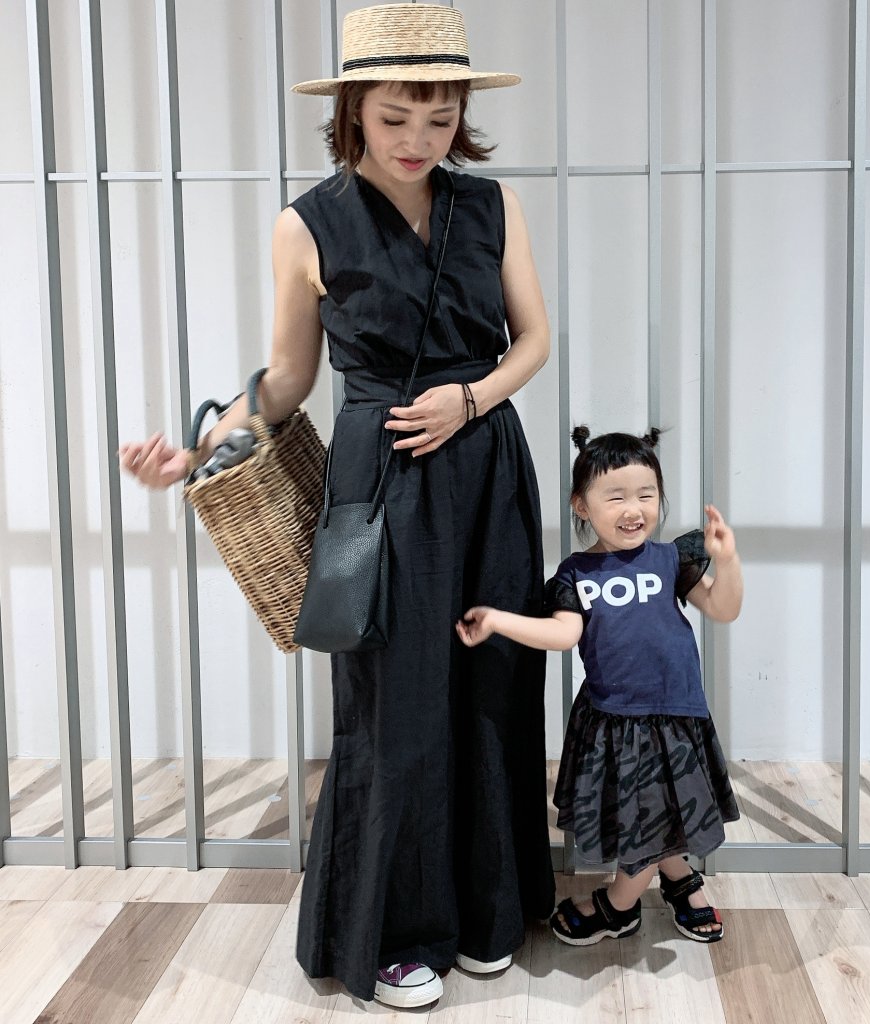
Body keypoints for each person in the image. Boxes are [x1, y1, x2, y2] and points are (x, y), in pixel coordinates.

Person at [119, 3, 555, 1010]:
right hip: (381, 480)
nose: (418, 139)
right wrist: (198, 449)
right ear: (354, 108)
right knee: (392, 702)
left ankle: (487, 910)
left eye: (440, 118)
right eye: (396, 116)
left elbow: (533, 339)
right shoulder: (306, 222)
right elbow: (286, 379)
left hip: (488, 466)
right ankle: (396, 933)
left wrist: (470, 399)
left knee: (492, 682)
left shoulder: (493, 205)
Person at [457, 427, 743, 946]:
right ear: (582, 506)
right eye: (616, 497)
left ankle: (618, 905)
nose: (634, 510)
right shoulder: (576, 573)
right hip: (615, 720)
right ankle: (679, 877)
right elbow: (564, 635)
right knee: (645, 815)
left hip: (675, 717)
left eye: (646, 495)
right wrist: (498, 621)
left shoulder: (671, 560)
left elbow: (724, 609)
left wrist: (726, 561)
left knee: (658, 811)